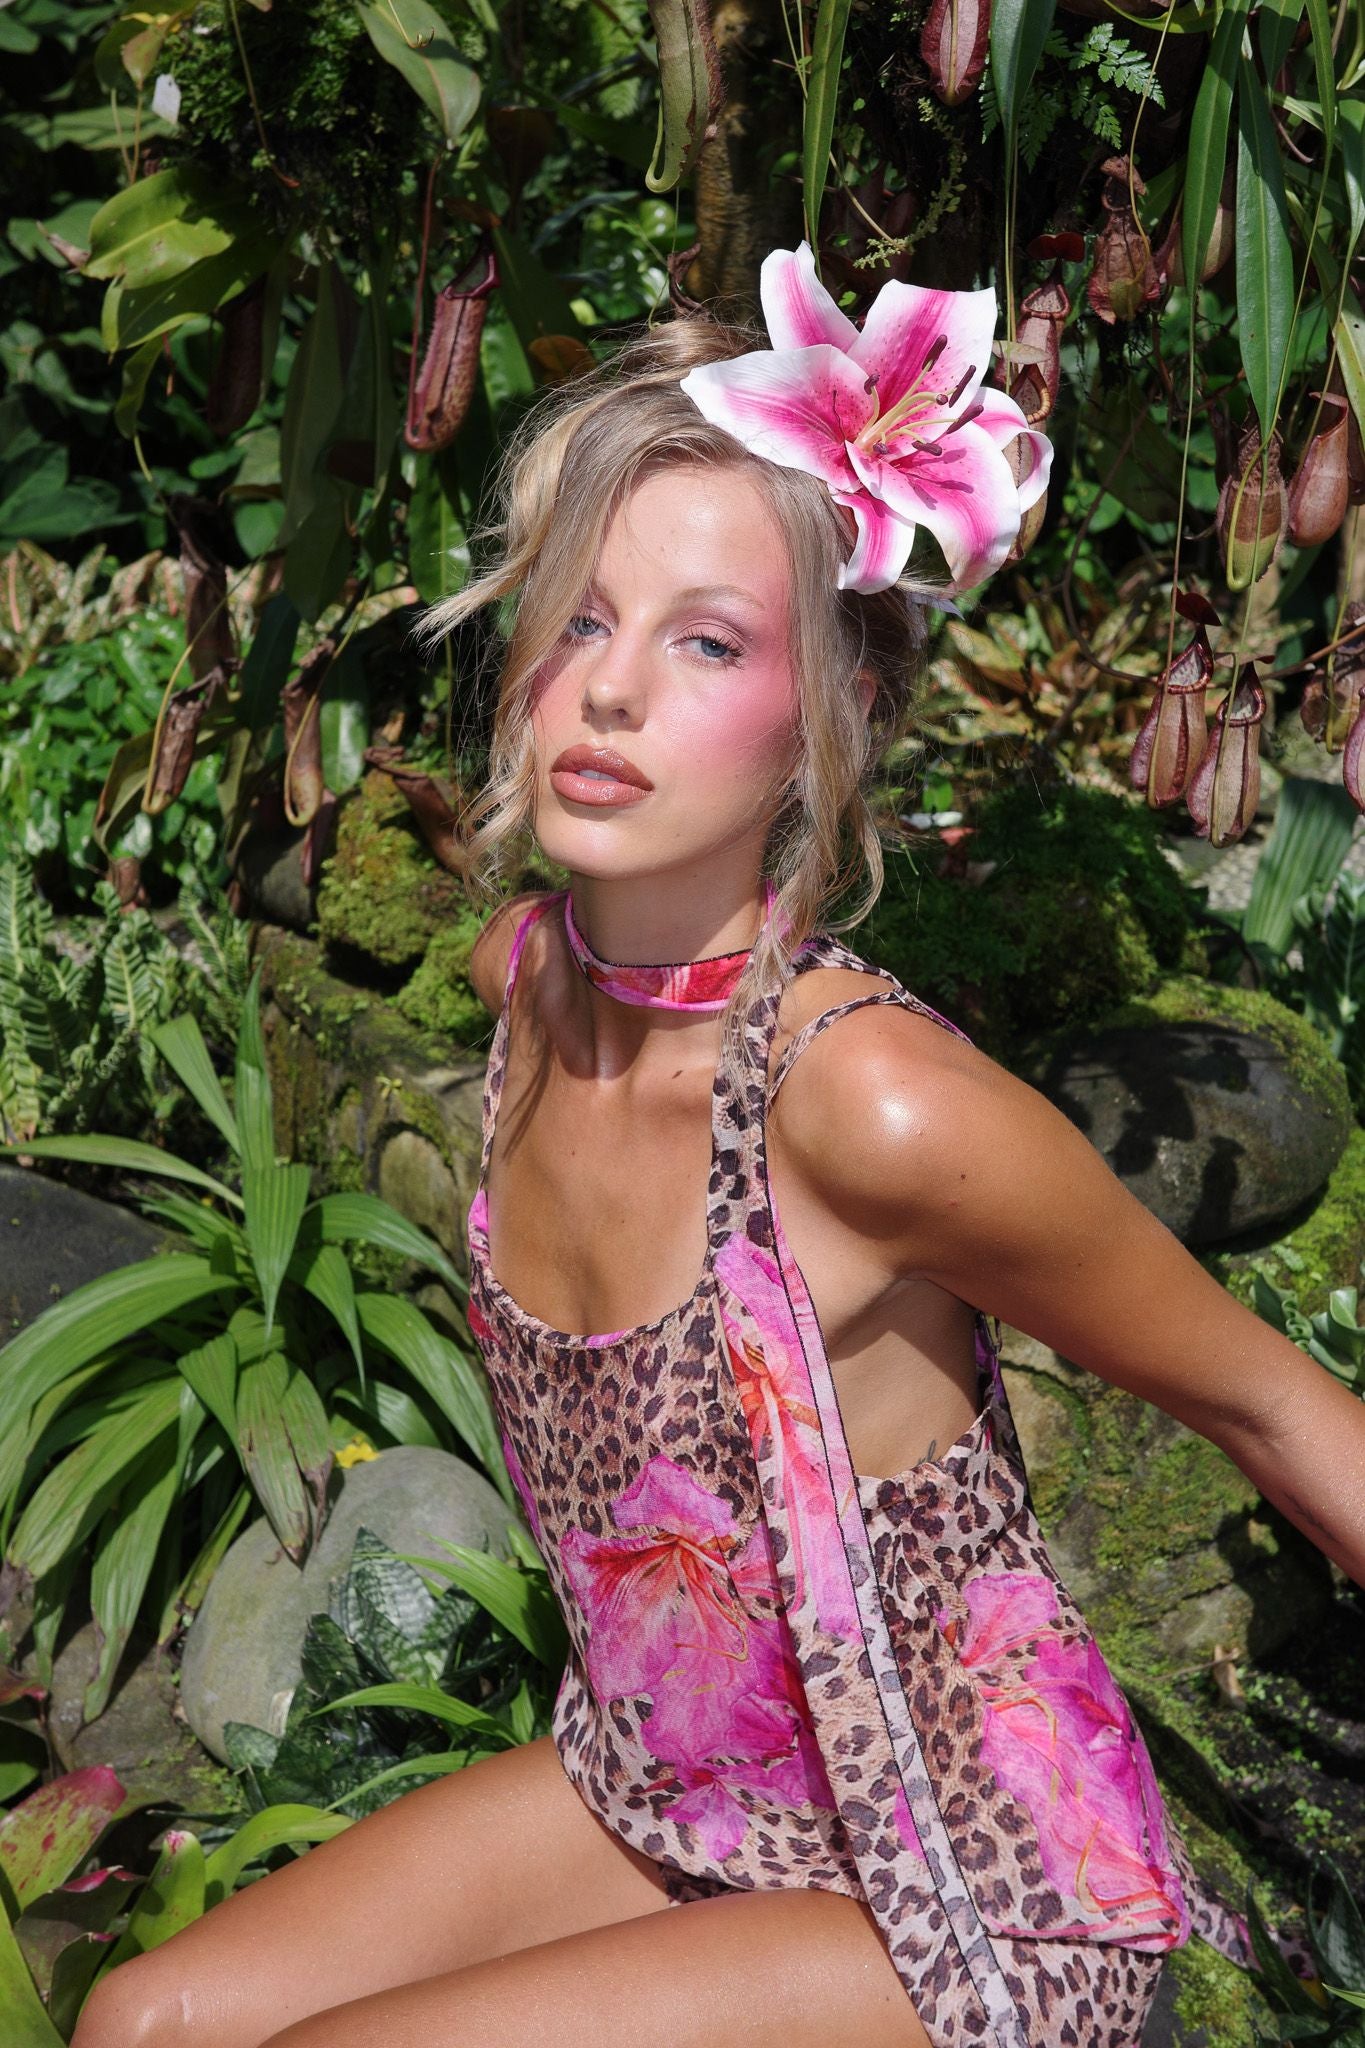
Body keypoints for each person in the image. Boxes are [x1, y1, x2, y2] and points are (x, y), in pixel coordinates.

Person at [75, 247, 1365, 2048]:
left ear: (832, 715)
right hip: (668, 1790)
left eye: (706, 641)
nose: (608, 691)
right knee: (145, 2021)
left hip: (963, 1883)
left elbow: (1276, 1407)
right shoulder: (525, 983)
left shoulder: (867, 1104)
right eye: (577, 621)